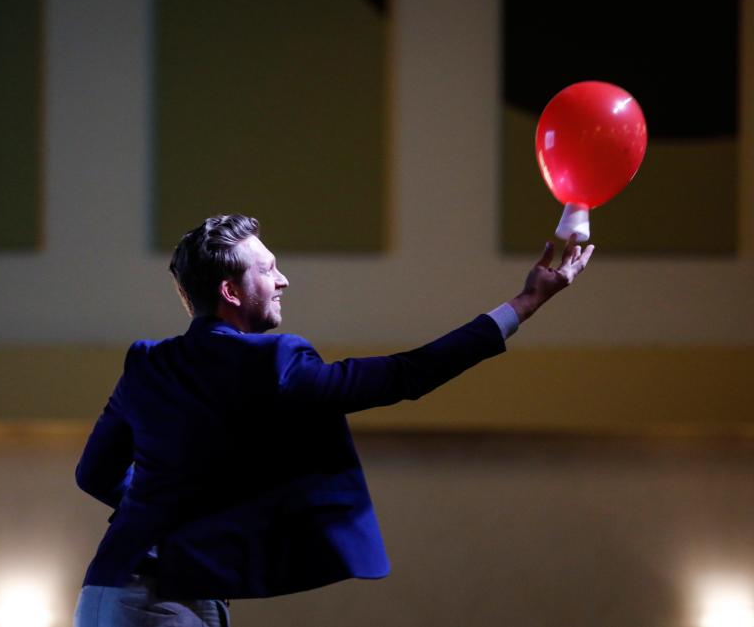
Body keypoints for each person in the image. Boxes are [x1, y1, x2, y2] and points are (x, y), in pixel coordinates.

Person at [73, 214, 594, 627]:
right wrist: (525, 303)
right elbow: (404, 376)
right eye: (268, 269)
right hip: (166, 602)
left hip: (102, 593)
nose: (283, 280)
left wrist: (162, 513)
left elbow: (93, 474)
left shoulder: (146, 362)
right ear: (231, 292)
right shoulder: (273, 364)